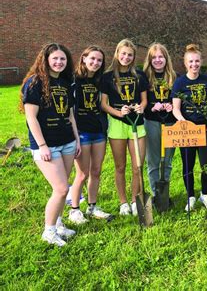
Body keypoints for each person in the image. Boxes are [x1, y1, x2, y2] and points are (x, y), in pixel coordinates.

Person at [21, 43, 80, 246]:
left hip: (67, 142)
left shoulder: (65, 82)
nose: (59, 62)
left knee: (63, 186)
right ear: (45, 59)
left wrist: (77, 140)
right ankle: (49, 231)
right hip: (48, 145)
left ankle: (59, 223)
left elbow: (70, 114)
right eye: (55, 58)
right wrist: (42, 145)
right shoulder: (35, 82)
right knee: (62, 189)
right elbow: (31, 117)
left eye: (62, 59)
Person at [100, 39, 148, 216]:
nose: (126, 57)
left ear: (134, 57)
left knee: (138, 166)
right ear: (117, 53)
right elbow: (104, 104)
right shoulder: (107, 76)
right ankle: (123, 202)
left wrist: (141, 107)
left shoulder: (140, 75)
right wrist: (119, 113)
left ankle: (136, 200)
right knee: (120, 166)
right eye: (123, 53)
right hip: (118, 125)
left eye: (130, 55)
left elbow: (144, 99)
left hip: (137, 125)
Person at [68, 46, 112, 224]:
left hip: (99, 131)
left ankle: (92, 207)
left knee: (96, 171)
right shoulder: (73, 80)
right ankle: (74, 210)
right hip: (82, 131)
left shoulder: (101, 81)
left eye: (99, 60)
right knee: (82, 173)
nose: (95, 62)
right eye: (92, 58)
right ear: (84, 58)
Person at [172, 44, 207, 211]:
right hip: (188, 130)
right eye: (191, 61)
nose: (194, 64)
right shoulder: (179, 82)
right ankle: (190, 196)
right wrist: (184, 122)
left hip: (205, 129)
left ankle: (204, 194)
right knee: (187, 165)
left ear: (201, 61)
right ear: (185, 63)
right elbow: (176, 108)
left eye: (197, 61)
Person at [143, 43, 177, 198]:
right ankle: (156, 194)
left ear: (166, 58)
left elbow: (178, 100)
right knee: (153, 160)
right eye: (154, 57)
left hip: (170, 122)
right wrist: (152, 107)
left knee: (167, 160)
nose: (158, 60)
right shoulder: (144, 77)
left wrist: (172, 106)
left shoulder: (174, 77)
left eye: (161, 57)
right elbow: (140, 100)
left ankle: (165, 194)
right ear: (150, 60)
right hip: (151, 122)